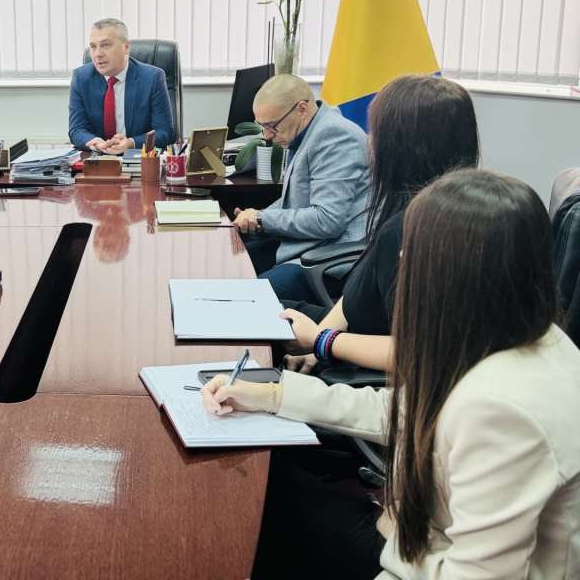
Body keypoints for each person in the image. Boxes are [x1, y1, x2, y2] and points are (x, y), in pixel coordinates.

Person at [203, 169, 580, 579]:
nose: (401, 261)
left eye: (411, 252)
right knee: (273, 483)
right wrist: (271, 395)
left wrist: (391, 536)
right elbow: (406, 410)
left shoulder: (503, 411)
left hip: (415, 555)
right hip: (420, 536)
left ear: (453, 276)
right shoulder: (520, 335)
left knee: (266, 510)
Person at [278, 75, 480, 373]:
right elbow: (357, 294)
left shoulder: (412, 230)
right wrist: (315, 348)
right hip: (353, 331)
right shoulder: (420, 205)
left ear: (403, 146)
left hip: (366, 367)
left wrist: (321, 341)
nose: (368, 141)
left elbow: (415, 353)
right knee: (261, 304)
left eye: (374, 132)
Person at [231, 74, 369, 291]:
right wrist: (257, 216)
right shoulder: (307, 131)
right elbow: (297, 199)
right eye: (262, 126)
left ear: (302, 109)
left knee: (250, 295)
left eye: (272, 126)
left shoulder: (334, 136)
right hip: (305, 244)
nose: (266, 136)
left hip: (330, 258)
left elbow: (327, 220)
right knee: (230, 265)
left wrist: (262, 218)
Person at [68, 18, 174, 153]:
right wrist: (96, 142)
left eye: (105, 45)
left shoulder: (152, 78)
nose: (97, 54)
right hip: (97, 159)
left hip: (138, 157)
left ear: (126, 47)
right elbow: (76, 130)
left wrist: (131, 143)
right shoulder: (81, 78)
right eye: (93, 47)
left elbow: (164, 132)